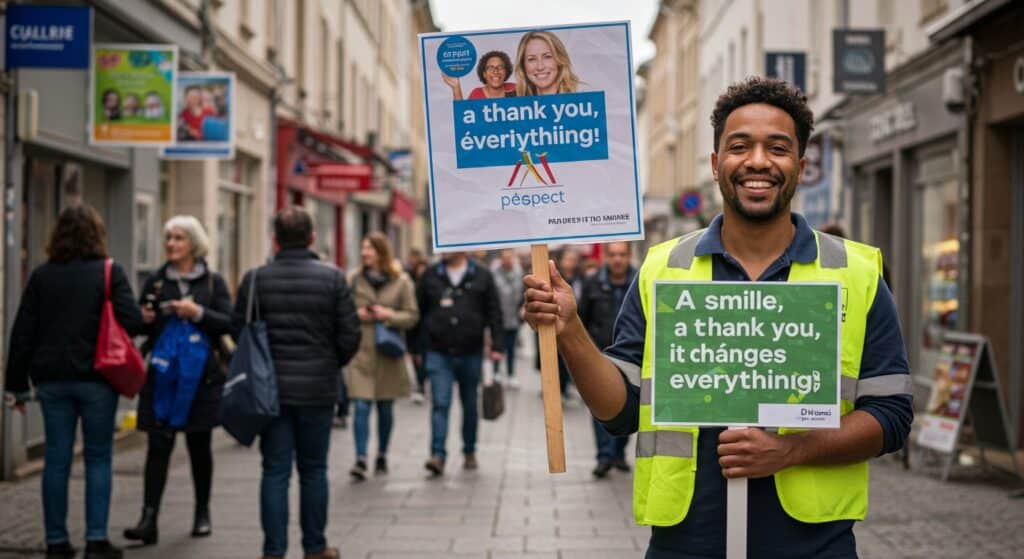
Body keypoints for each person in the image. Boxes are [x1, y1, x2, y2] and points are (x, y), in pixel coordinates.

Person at [523, 77, 913, 558]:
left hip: (813, 545)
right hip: (686, 542)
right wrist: (570, 331)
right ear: (714, 164)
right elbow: (620, 411)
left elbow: (892, 416)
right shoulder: (663, 269)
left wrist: (791, 452)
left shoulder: (856, 273)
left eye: (778, 147)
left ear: (801, 166)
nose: (757, 161)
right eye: (739, 146)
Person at [4, 204, 143, 559]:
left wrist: (16, 387)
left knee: (56, 460)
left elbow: (22, 334)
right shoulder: (109, 272)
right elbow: (132, 320)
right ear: (96, 235)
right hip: (98, 379)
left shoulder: (42, 276)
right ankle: (96, 541)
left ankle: (56, 543)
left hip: (52, 382)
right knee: (98, 458)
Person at [233, 206, 361, 559]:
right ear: (312, 238)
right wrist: (330, 364)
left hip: (268, 392)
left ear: (275, 239)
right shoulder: (333, 279)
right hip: (318, 389)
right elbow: (350, 335)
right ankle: (315, 547)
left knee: (274, 471)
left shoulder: (255, 279)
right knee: (313, 470)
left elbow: (238, 331)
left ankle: (273, 551)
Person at [123, 216, 232, 546]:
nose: (171, 244)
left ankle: (202, 512)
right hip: (163, 378)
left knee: (199, 446)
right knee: (158, 446)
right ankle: (149, 518)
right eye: (169, 237)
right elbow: (140, 326)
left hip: (201, 380)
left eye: (179, 238)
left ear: (194, 244)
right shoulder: (156, 282)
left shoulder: (213, 283)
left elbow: (229, 323)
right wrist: (144, 319)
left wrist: (197, 313)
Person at [418, 252, 504, 476]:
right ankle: (437, 455)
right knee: (440, 402)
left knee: (469, 405)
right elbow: (419, 311)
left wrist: (498, 345)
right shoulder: (431, 274)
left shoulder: (481, 275)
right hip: (439, 352)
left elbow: (494, 311)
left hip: (471, 351)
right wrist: (416, 348)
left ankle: (469, 450)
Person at [345, 233, 420, 480]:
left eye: (370, 248)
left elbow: (411, 316)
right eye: (363, 247)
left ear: (381, 252)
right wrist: (358, 314)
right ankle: (360, 458)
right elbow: (343, 313)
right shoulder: (354, 280)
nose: (365, 252)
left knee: (385, 408)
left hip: (389, 353)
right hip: (361, 353)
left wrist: (387, 314)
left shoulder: (402, 281)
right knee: (361, 405)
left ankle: (382, 454)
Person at [577, 242, 636, 478]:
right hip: (600, 355)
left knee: (629, 408)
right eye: (613, 255)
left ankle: (619, 453)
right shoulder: (593, 283)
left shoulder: (640, 280)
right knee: (601, 409)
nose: (618, 259)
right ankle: (603, 456)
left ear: (629, 256)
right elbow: (581, 319)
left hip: (632, 358)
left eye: (622, 254)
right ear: (606, 257)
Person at [491, 249, 524, 388]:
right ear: (501, 259)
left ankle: (511, 374)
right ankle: (496, 372)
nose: (508, 260)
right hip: (498, 318)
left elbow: (522, 293)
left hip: (513, 318)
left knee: (511, 348)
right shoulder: (494, 274)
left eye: (510, 258)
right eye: (505, 258)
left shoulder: (519, 273)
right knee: (497, 346)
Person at [514, 30, 581, 96]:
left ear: (559, 59)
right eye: (532, 59)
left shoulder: (582, 98)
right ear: (523, 65)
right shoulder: (516, 104)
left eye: (547, 57)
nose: (540, 67)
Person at [443, 50, 517, 100]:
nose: (495, 71)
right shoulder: (476, 94)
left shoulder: (515, 89)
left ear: (506, 72)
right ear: (484, 74)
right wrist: (456, 87)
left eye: (500, 67)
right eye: (490, 68)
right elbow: (463, 117)